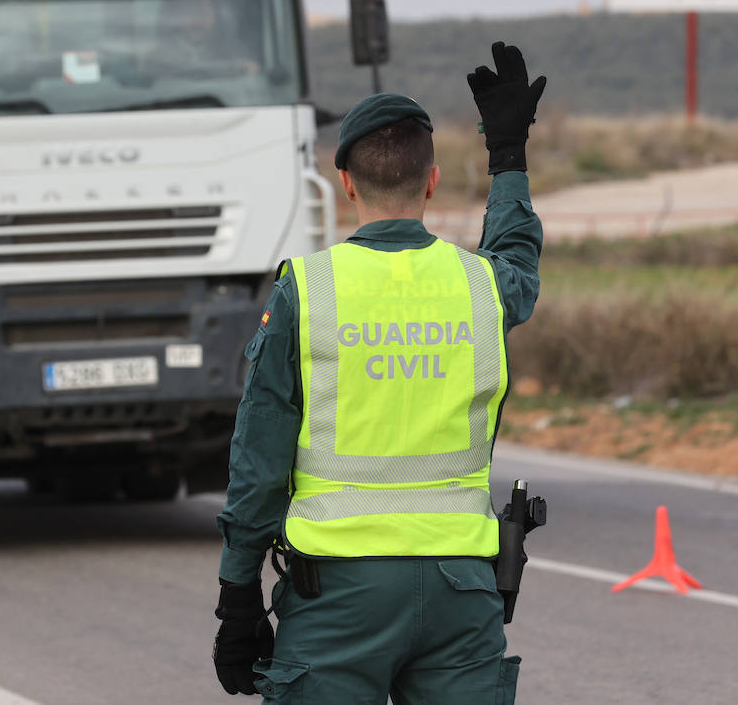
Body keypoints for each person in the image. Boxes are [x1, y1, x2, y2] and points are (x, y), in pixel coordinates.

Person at [212, 42, 547, 703]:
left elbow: (259, 458)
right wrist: (508, 155)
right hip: (460, 588)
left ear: (345, 183)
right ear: (431, 180)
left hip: (337, 596)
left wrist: (237, 596)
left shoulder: (306, 292)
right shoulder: (481, 286)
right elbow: (517, 253)